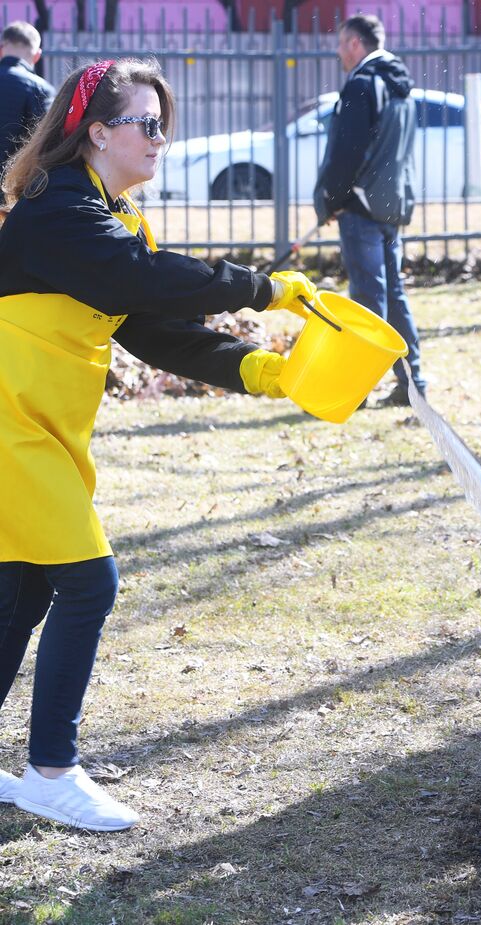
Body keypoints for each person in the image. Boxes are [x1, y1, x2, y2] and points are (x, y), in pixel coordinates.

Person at [0, 58, 317, 831]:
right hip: (9, 427)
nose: (160, 139)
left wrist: (266, 373)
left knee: (24, 592)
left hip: (41, 427)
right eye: (147, 123)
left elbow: (157, 333)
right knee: (87, 581)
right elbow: (144, 278)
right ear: (97, 132)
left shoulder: (109, 215)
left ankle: (45, 768)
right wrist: (261, 288)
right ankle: (50, 770)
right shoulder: (57, 209)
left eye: (163, 125)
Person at [313, 12, 425, 407]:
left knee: (366, 299)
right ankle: (412, 385)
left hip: (360, 205)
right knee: (392, 294)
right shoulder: (400, 84)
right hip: (390, 204)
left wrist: (330, 199)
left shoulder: (362, 84)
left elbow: (347, 152)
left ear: (356, 44)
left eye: (342, 44)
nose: (339, 52)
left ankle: (357, 388)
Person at [0, 21, 54, 197]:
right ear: (37, 55)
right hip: (13, 187)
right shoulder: (39, 88)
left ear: (2, 48)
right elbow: (47, 142)